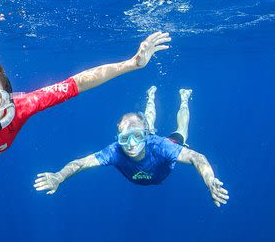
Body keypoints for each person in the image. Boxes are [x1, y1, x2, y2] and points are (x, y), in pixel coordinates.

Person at [0, 27, 171, 192]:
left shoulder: (23, 105)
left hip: (0, 93)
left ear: (8, 97)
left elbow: (79, 82)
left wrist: (132, 64)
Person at [34, 87, 229, 207]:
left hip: (158, 142)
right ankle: (150, 98)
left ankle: (184, 98)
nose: (132, 145)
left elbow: (198, 158)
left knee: (181, 131)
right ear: (118, 138)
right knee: (149, 125)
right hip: (149, 136)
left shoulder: (162, 147)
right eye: (125, 138)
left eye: (137, 137)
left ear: (143, 137)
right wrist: (58, 176)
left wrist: (210, 181)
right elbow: (79, 164)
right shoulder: (115, 152)